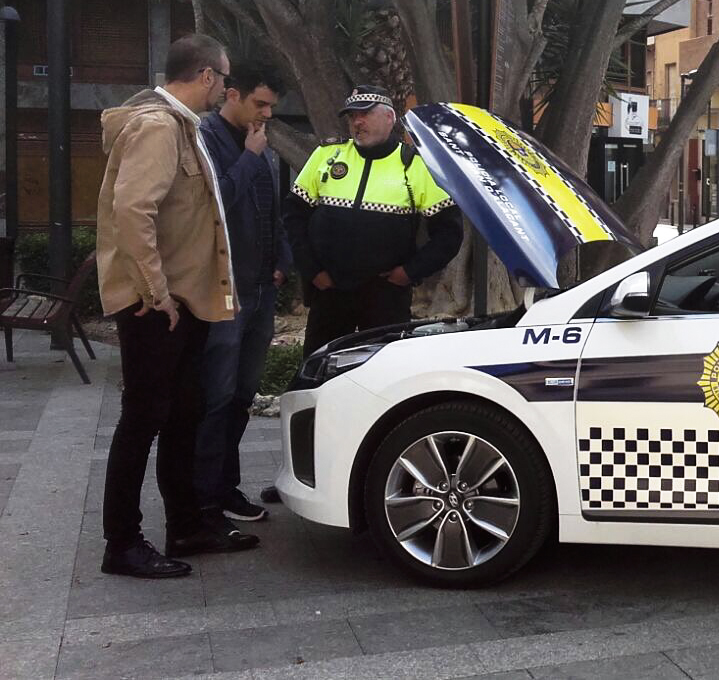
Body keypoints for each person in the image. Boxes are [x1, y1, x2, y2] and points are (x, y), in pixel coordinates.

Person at [95, 34, 260, 580]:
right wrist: (156, 292)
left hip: (183, 304)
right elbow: (132, 210)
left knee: (184, 413)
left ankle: (187, 525)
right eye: (224, 77)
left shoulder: (182, 128)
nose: (224, 88)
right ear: (208, 75)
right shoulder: (159, 127)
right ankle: (122, 543)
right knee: (142, 419)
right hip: (155, 307)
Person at [286, 85, 462, 358]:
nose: (357, 122)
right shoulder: (328, 156)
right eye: (352, 116)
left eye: (365, 115)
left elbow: (449, 234)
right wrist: (312, 271)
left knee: (384, 371)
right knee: (319, 368)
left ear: (390, 118)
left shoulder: (413, 165)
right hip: (330, 292)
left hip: (385, 296)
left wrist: (409, 273)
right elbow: (294, 216)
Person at [194, 69, 291, 526]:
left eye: (270, 107)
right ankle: (203, 497)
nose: (266, 114)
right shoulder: (207, 139)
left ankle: (224, 488)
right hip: (223, 292)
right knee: (216, 396)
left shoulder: (259, 143)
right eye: (260, 104)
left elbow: (273, 211)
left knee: (242, 394)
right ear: (231, 94)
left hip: (259, 289)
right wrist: (252, 158)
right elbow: (214, 205)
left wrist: (281, 263)